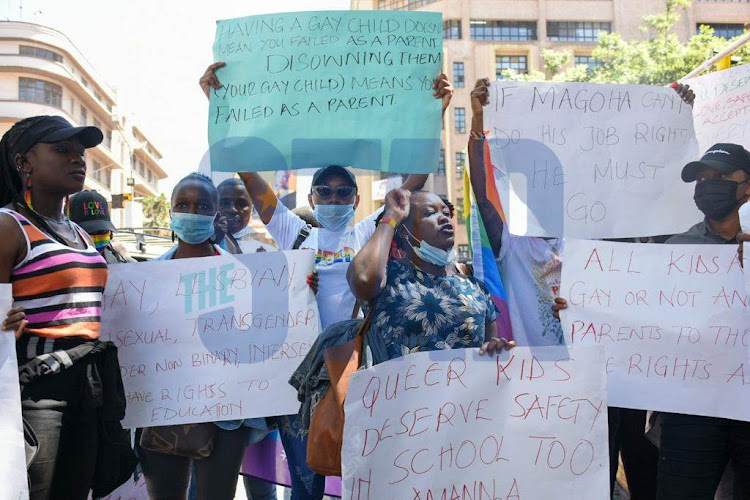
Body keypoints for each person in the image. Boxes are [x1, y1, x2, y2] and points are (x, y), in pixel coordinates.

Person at [199, 62, 453, 500]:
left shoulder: (369, 232)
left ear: (357, 199)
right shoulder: (293, 231)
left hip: (361, 370)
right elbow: (246, 172)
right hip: (303, 378)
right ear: (313, 198)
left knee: (364, 479)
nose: (334, 198)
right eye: (325, 192)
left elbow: (412, 184)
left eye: (343, 192)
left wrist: (436, 115)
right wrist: (219, 105)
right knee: (306, 482)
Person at [468, 79, 694, 499]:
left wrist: (673, 119)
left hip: (616, 381)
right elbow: (483, 193)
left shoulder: (598, 237)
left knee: (639, 474)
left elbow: (650, 188)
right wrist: (478, 124)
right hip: (550, 388)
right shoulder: (515, 242)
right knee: (572, 481)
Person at [0, 115, 133, 499]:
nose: (78, 160)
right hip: (36, 390)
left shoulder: (77, 232)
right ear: (23, 162)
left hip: (88, 384)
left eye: (80, 152)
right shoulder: (10, 226)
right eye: (62, 150)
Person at [138, 172, 253, 500]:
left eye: (202, 205)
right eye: (183, 205)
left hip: (225, 415)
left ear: (215, 214)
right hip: (163, 411)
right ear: (171, 213)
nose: (191, 211)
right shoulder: (144, 279)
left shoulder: (244, 276)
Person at [655, 143, 750, 499]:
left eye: (722, 177)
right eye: (703, 178)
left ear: (748, 186)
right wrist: (581, 310)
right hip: (694, 406)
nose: (710, 184)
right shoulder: (676, 248)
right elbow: (644, 319)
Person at [347, 187, 513, 361]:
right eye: (430, 213)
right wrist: (391, 216)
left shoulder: (477, 289)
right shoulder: (389, 278)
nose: (443, 218)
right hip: (398, 387)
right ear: (405, 232)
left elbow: (488, 350)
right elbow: (363, 278)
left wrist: (495, 348)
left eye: (447, 214)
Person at [68, 190, 136, 263]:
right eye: (88, 232)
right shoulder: (62, 264)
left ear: (110, 235)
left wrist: (126, 258)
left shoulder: (117, 258)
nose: (96, 238)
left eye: (102, 231)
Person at [216, 178, 276, 254]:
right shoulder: (204, 245)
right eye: (224, 203)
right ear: (214, 207)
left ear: (253, 209)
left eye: (241, 204)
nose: (232, 209)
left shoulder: (266, 249)